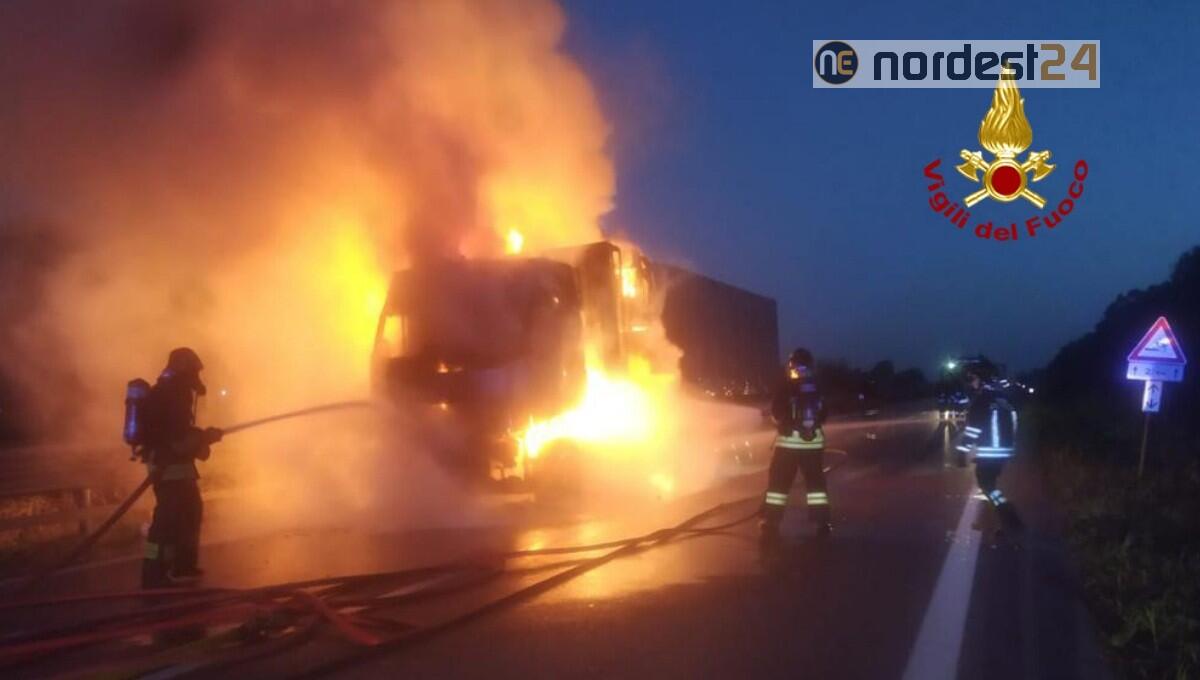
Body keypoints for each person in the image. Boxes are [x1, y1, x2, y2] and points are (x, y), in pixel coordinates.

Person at [140, 347, 223, 589]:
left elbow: (180, 436)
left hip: (176, 468)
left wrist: (201, 439)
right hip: (169, 469)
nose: (196, 379)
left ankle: (183, 565)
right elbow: (178, 439)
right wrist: (205, 437)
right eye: (194, 372)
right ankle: (153, 570)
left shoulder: (170, 391)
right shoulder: (172, 394)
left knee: (190, 515)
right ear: (184, 369)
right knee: (166, 524)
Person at [760, 348, 831, 547]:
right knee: (816, 485)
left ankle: (771, 522)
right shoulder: (817, 388)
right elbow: (824, 415)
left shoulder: (786, 387)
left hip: (788, 446)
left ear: (791, 366)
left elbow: (776, 414)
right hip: (814, 446)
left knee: (778, 487)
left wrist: (782, 423)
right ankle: (822, 522)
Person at [959, 364, 1022, 529]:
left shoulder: (982, 400)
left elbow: (973, 429)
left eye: (973, 379)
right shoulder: (1002, 398)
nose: (970, 383)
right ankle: (1001, 521)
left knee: (986, 485)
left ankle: (1010, 519)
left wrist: (962, 452)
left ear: (981, 380)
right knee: (989, 485)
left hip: (991, 450)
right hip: (1004, 449)